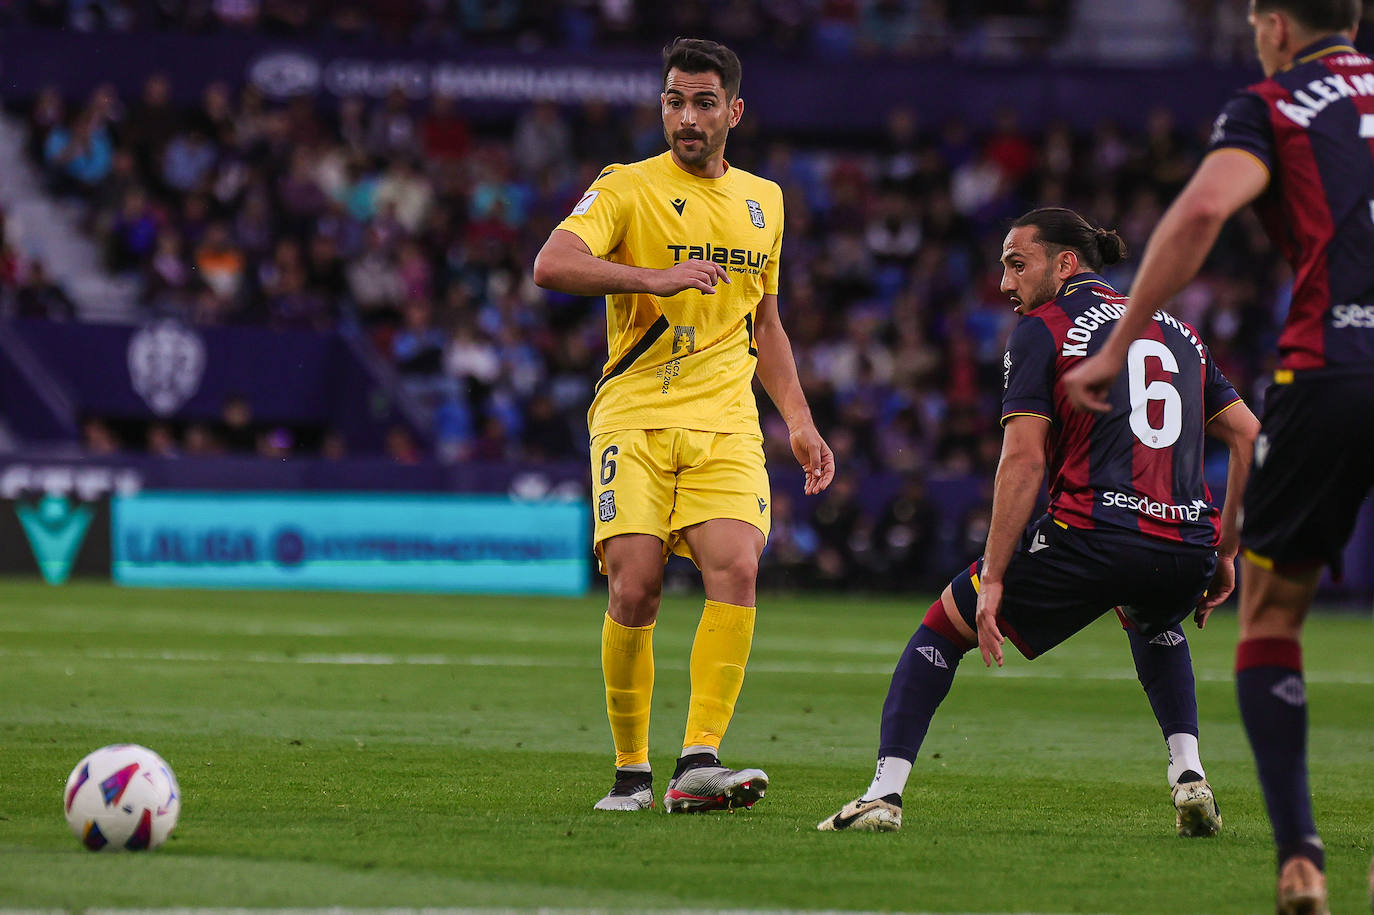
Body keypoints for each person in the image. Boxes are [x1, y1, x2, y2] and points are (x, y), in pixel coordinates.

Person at [1061, 2, 1373, 911]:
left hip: (1331, 372)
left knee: (1273, 616)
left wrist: (1119, 342)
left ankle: (1301, 858)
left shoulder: (1274, 103)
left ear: (1274, 23)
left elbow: (1202, 208)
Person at [818, 208, 1259, 842]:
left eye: (1016, 263)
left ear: (1066, 264)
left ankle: (884, 794)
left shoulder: (1044, 329)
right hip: (1186, 543)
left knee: (944, 625)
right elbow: (1247, 436)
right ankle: (1189, 774)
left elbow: (1023, 459)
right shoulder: (1178, 331)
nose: (1004, 283)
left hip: (1094, 534)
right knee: (1154, 616)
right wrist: (1226, 550)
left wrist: (994, 574)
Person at [532, 38, 835, 813]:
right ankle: (631, 770)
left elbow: (765, 323)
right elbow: (552, 263)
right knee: (635, 586)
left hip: (727, 421)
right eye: (674, 101)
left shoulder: (765, 200)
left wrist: (798, 420)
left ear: (733, 111)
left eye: (703, 103)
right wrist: (650, 276)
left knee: (736, 567)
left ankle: (698, 758)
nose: (687, 117)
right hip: (634, 415)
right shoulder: (626, 187)